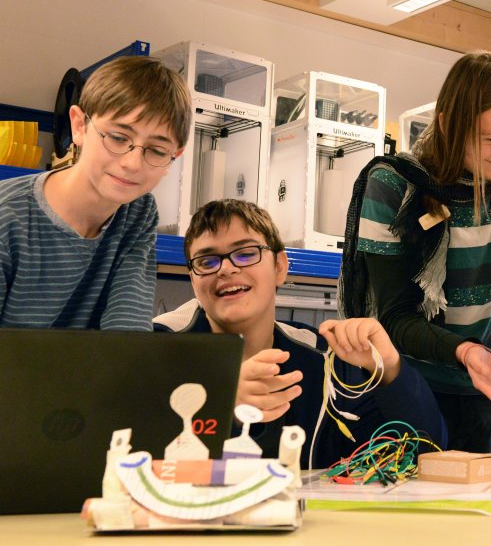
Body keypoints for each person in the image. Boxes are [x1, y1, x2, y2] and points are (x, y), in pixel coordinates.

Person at [339, 50, 491, 458]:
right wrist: (465, 350)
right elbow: (393, 316)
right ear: (448, 126)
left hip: (480, 384)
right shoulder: (393, 185)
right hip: (400, 380)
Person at [154, 199, 446, 468]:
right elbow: (121, 453)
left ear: (280, 267)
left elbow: (424, 452)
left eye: (245, 254)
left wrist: (390, 370)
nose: (226, 268)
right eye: (207, 261)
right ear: (192, 278)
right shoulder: (154, 349)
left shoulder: (323, 360)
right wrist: (217, 402)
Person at [0, 56, 191, 330]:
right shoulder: (7, 214)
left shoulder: (138, 212)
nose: (132, 163)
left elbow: (126, 334)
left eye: (157, 151)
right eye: (117, 137)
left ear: (176, 156)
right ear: (79, 126)